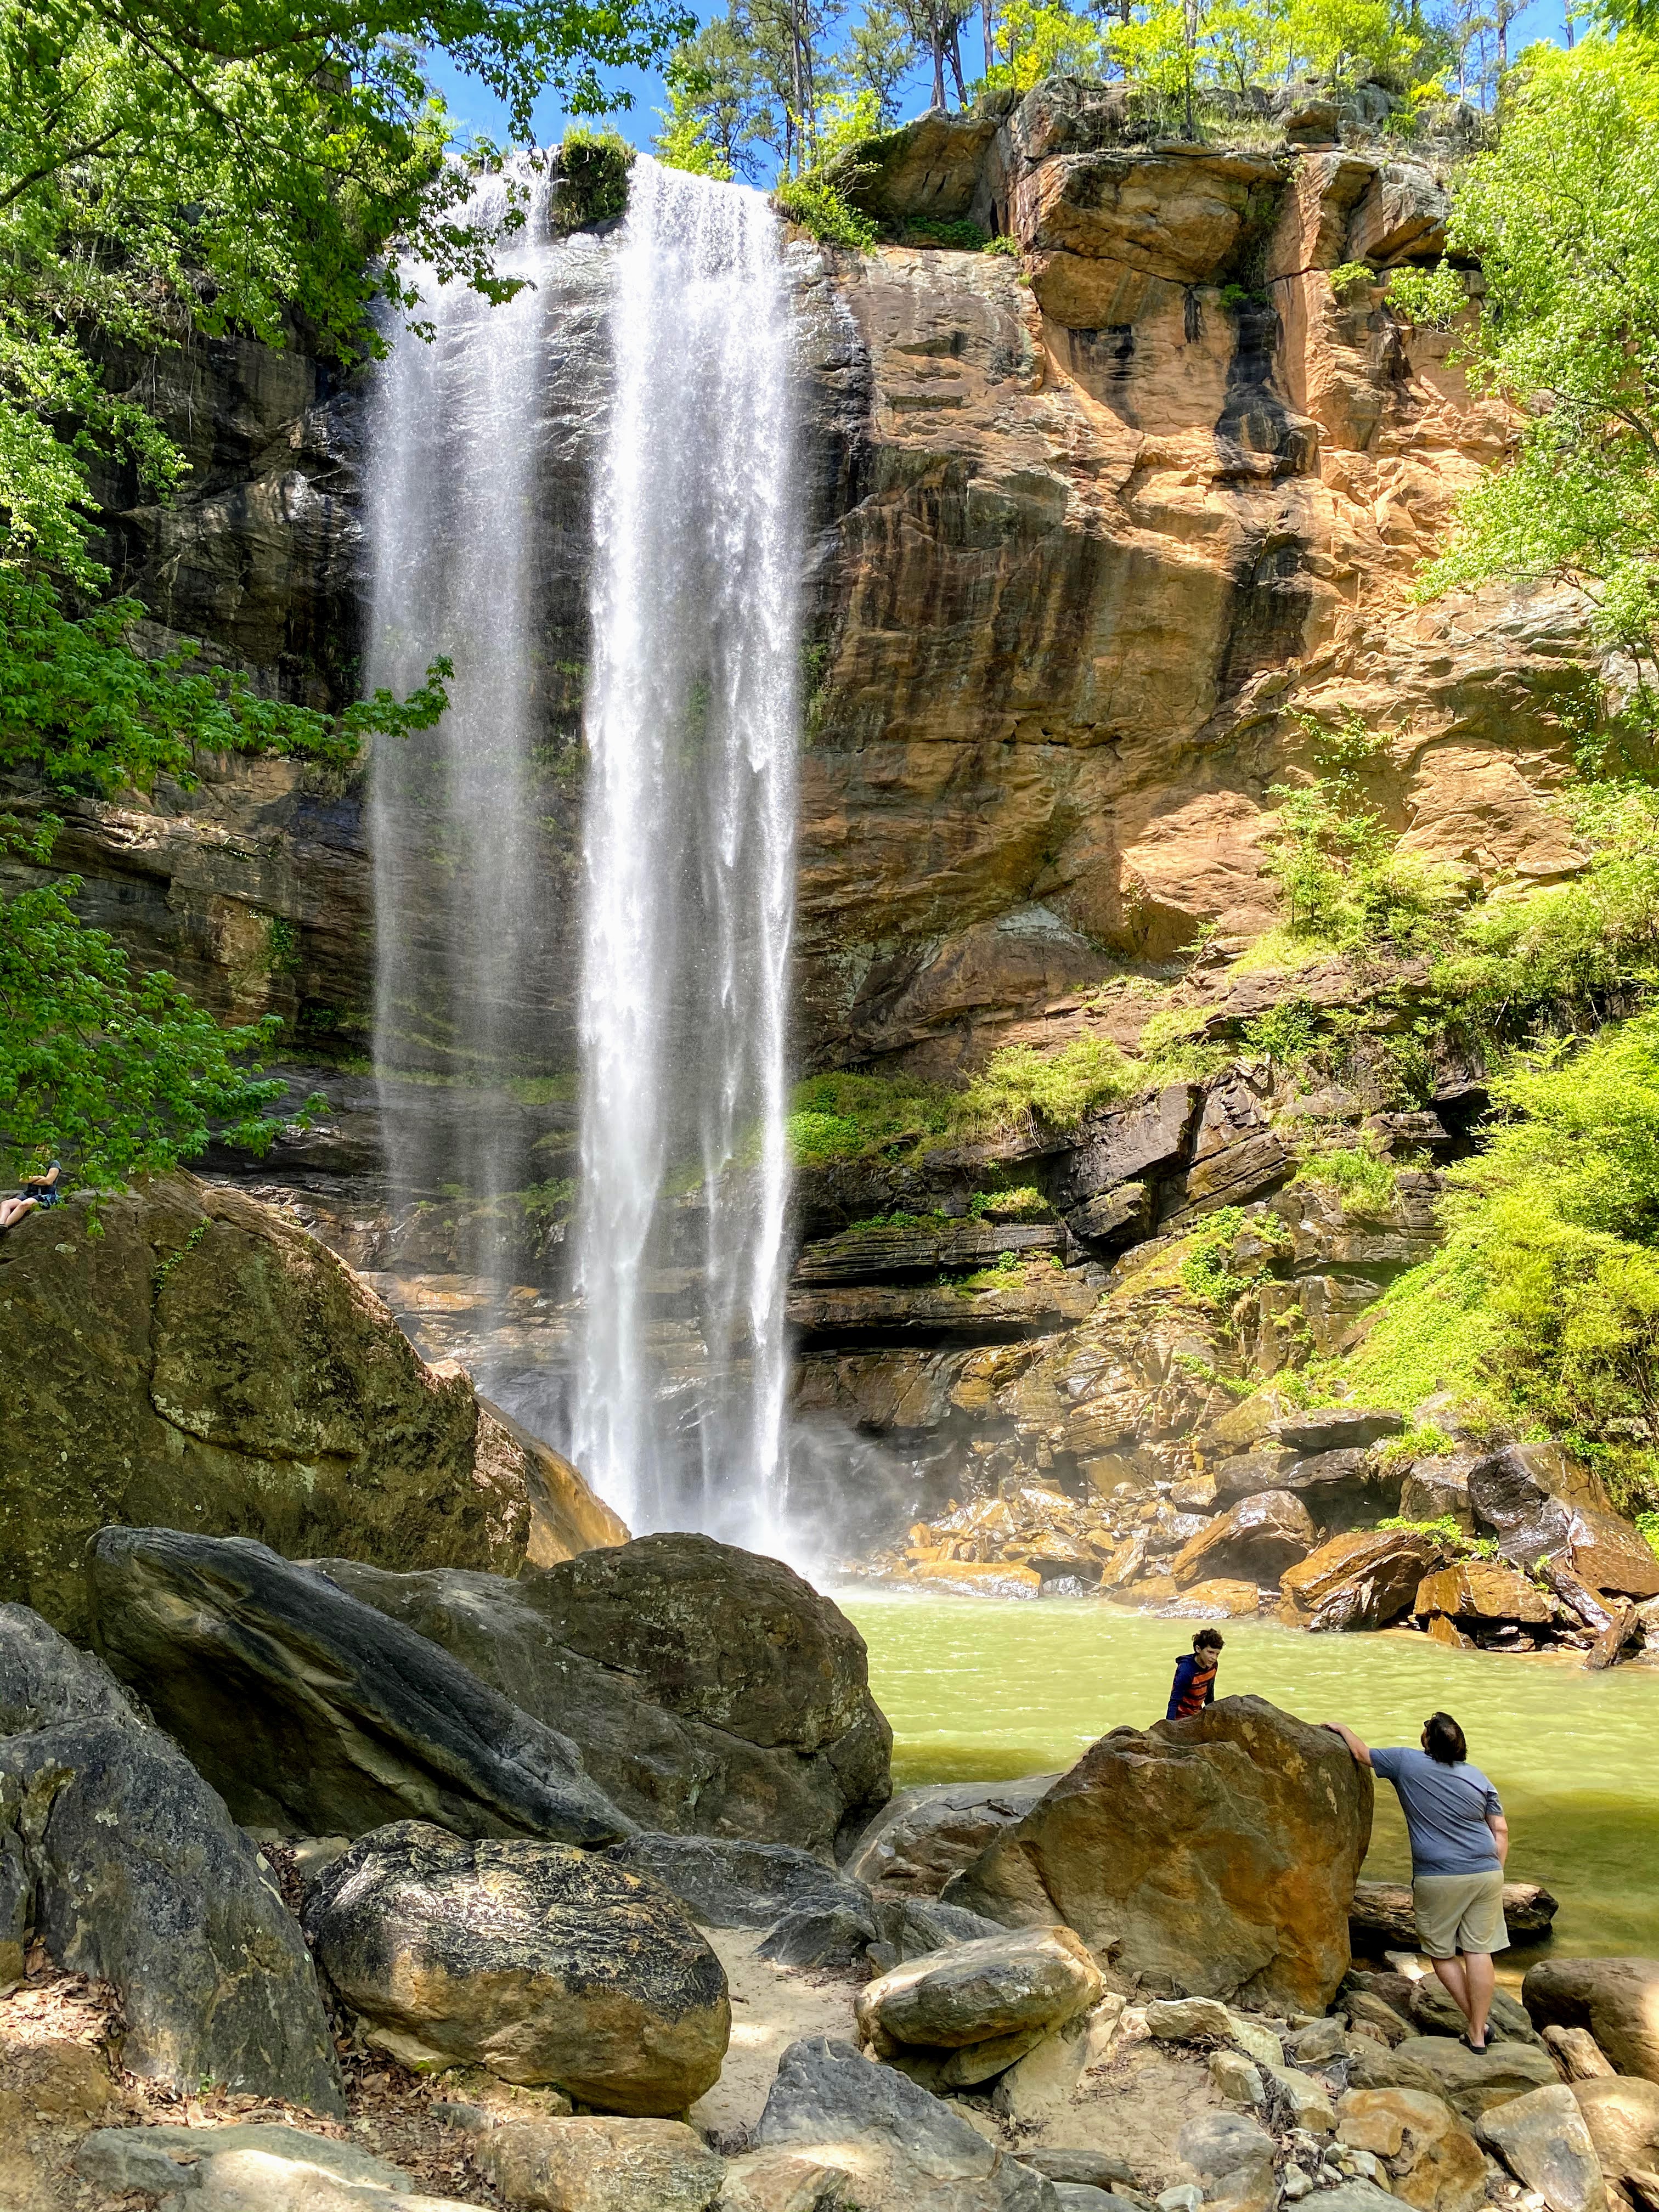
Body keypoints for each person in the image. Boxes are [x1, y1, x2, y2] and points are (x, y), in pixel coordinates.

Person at [1324, 1711, 1509, 2051]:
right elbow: (1501, 1830)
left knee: (1441, 1952)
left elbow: (1362, 1755)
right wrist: (1494, 1871)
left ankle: (1477, 2028)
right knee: (1479, 1951)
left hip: (1439, 1876)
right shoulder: (1479, 1777)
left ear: (1428, 1741)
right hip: (1487, 1872)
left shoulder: (1406, 1762)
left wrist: (1341, 1728)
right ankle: (1479, 2029)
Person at [1167, 1627, 1224, 1720]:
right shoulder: (1186, 1671)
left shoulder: (1213, 1665)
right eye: (1210, 1652)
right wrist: (1170, 1727)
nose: (1214, 1658)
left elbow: (1209, 1691)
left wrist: (1211, 1714)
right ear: (1198, 1649)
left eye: (1217, 1654)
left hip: (1197, 1713)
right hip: (1181, 1718)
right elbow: (1174, 1702)